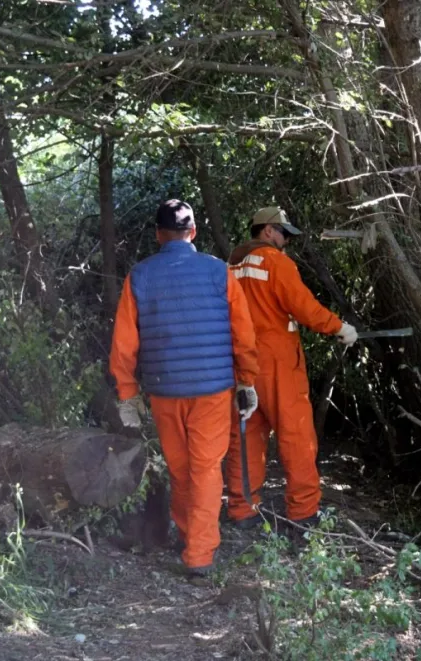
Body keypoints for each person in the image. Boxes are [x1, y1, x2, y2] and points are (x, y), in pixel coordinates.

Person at [109, 199, 259, 576]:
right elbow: (243, 334)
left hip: (164, 391)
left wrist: (128, 394)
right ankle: (199, 555)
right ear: (193, 232)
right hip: (212, 390)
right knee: (206, 469)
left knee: (180, 468)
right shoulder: (217, 271)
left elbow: (124, 344)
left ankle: (189, 534)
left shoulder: (140, 276)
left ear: (159, 235)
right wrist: (248, 381)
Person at [225, 206, 357, 530]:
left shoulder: (230, 265)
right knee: (296, 437)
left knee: (246, 437)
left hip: (239, 364)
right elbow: (304, 307)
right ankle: (303, 515)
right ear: (268, 230)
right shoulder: (275, 262)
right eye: (283, 233)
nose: (286, 240)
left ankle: (242, 511)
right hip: (277, 366)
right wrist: (339, 327)